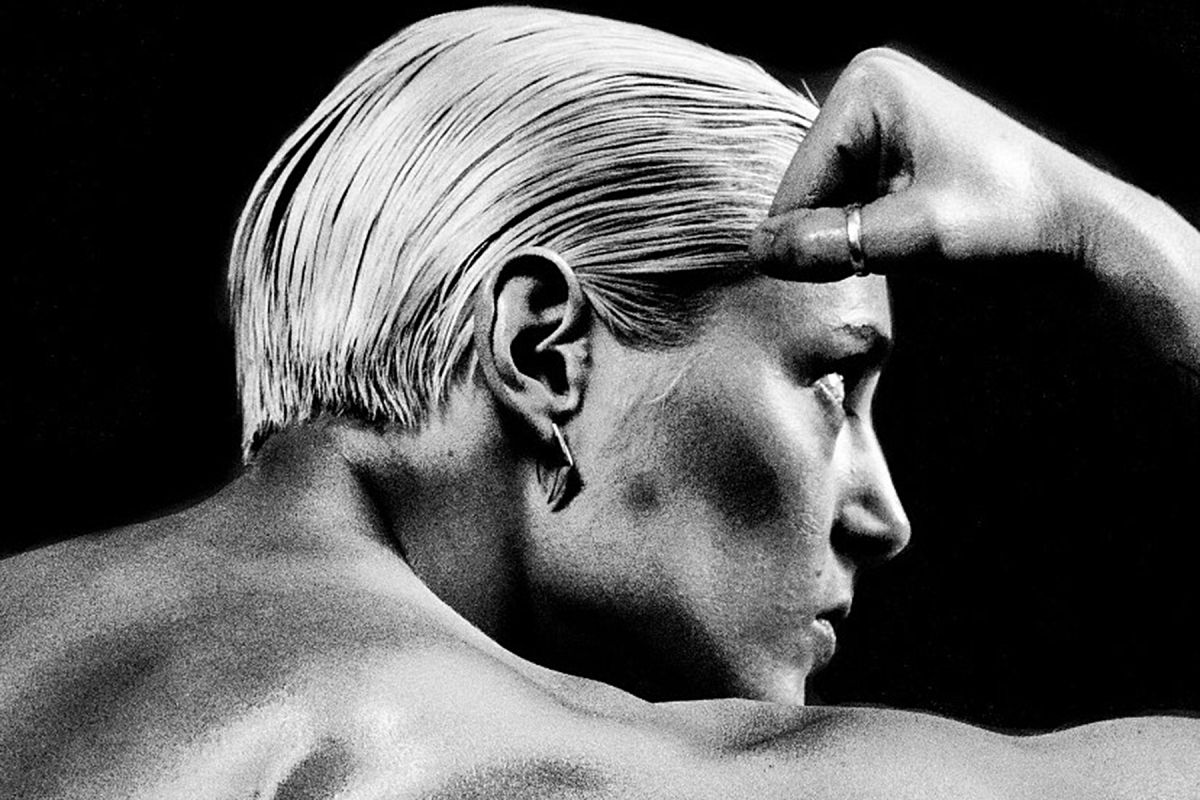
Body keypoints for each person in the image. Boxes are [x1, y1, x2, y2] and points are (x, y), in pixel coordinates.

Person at [2, 6, 1197, 798]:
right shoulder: (492, 759)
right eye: (831, 382)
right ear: (544, 347)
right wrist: (1106, 226)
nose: (885, 515)